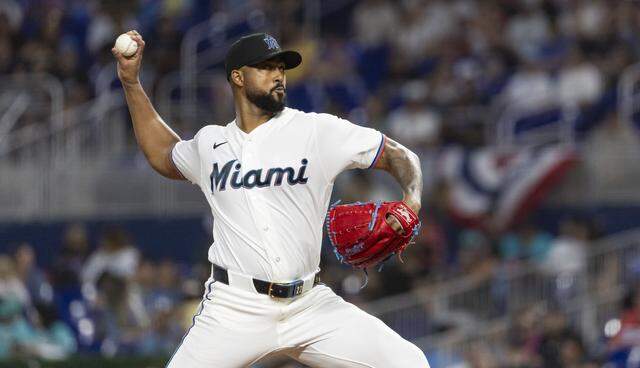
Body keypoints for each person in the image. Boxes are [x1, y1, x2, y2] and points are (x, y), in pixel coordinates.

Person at [112, 31, 428, 367]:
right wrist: (131, 83)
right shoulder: (210, 144)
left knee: (410, 362)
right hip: (235, 306)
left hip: (309, 305)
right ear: (237, 76)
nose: (278, 75)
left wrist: (412, 198)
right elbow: (163, 153)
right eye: (265, 67)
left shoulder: (317, 130)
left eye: (281, 67)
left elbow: (398, 155)